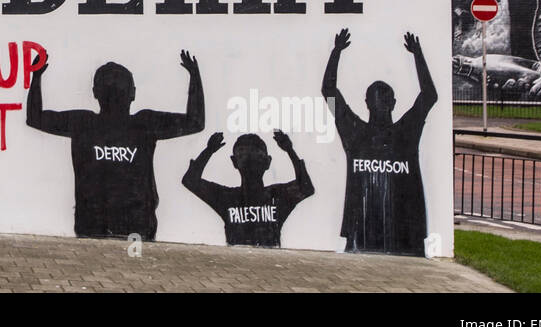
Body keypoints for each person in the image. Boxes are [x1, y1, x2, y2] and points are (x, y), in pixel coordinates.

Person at [27, 48, 204, 240]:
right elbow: (194, 122)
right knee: (135, 265)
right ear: (133, 93)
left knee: (102, 267)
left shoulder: (83, 122)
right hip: (133, 228)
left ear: (95, 93)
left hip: (98, 226)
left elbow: (35, 118)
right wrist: (194, 76)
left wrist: (36, 76)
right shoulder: (144, 123)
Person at [322, 29, 437, 256]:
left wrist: (418, 54)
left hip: (404, 229)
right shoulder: (355, 132)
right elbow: (329, 92)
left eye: (384, 99)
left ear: (393, 102)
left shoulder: (404, 131)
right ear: (367, 103)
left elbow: (429, 95)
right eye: (377, 98)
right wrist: (336, 52)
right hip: (362, 228)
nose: (380, 104)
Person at [181, 130, 314, 247]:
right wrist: (289, 151)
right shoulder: (228, 197)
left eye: (256, 155)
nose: (250, 160)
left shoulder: (277, 195)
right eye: (243, 154)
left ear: (268, 162)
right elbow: (190, 181)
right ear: (234, 162)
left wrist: (209, 151)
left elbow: (306, 188)